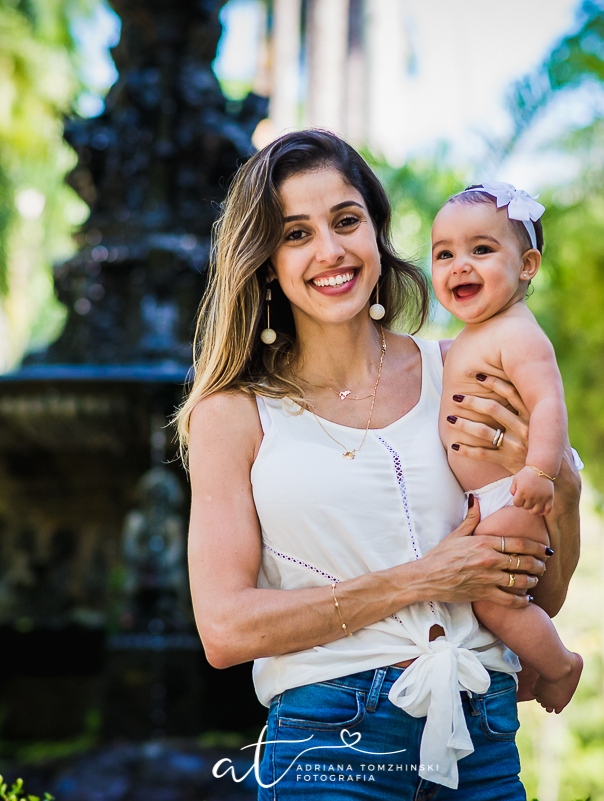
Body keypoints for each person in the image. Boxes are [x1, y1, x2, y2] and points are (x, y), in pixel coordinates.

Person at [176, 130, 582, 798]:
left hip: (480, 736)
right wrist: (421, 579)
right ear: (267, 262)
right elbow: (224, 629)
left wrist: (564, 495)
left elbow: (540, 594)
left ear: (376, 231)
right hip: (328, 743)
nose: (330, 251)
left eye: (346, 221)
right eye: (296, 234)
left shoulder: (463, 370)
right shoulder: (233, 413)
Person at [433, 183, 584, 714]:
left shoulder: (518, 334)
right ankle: (529, 664)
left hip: (515, 491)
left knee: (493, 600)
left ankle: (560, 664)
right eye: (444, 254)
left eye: (481, 249)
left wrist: (540, 471)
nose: (460, 265)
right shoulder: (472, 334)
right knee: (502, 597)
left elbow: (547, 404)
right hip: (495, 495)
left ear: (527, 266)